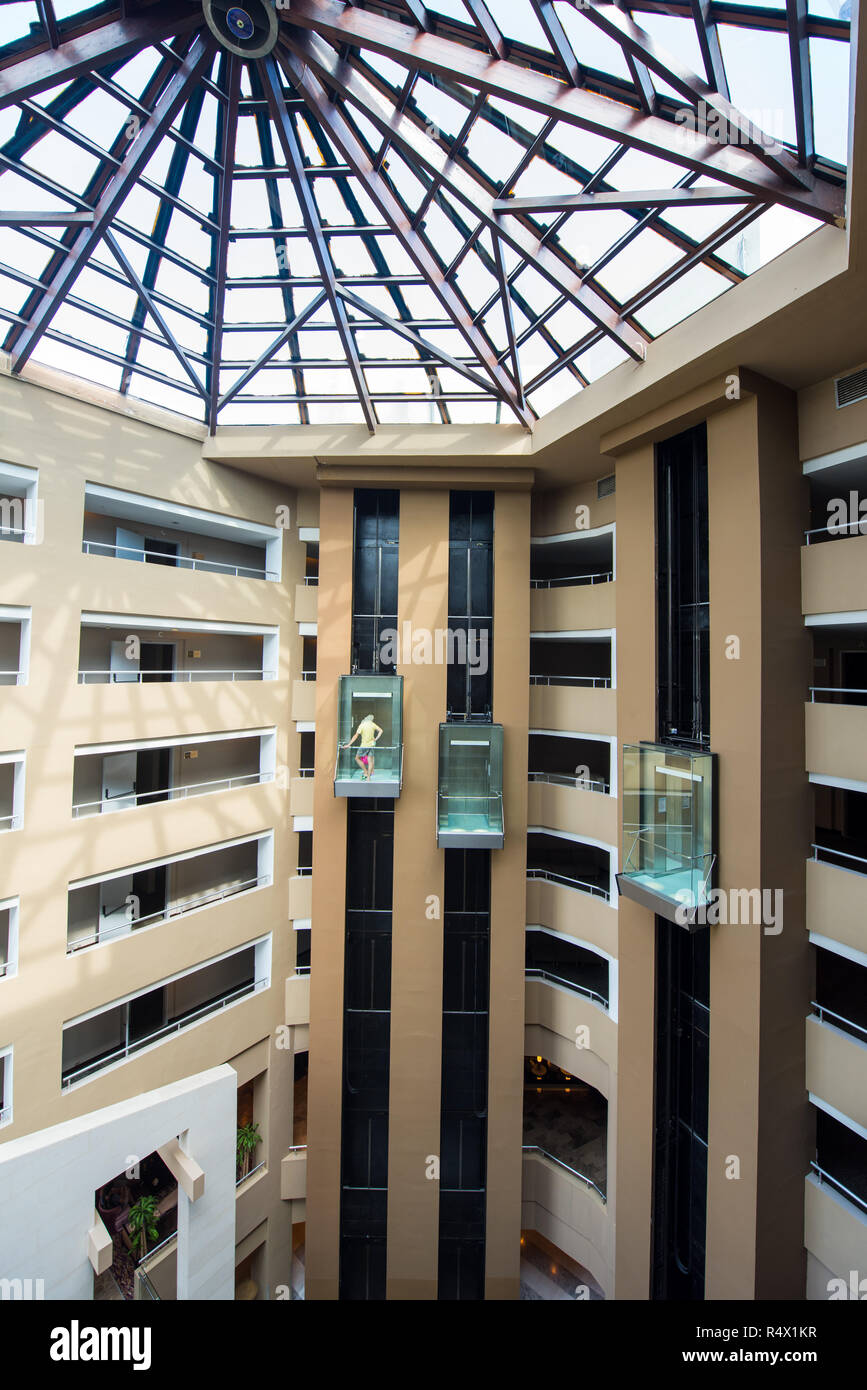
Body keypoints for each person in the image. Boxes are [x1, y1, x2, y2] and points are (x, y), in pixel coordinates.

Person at [341, 713, 382, 781]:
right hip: (371, 745)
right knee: (370, 761)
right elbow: (381, 731)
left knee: (357, 758)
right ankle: (368, 777)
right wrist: (376, 738)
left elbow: (355, 736)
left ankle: (365, 772)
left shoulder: (362, 725)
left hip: (364, 746)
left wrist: (348, 744)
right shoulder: (372, 724)